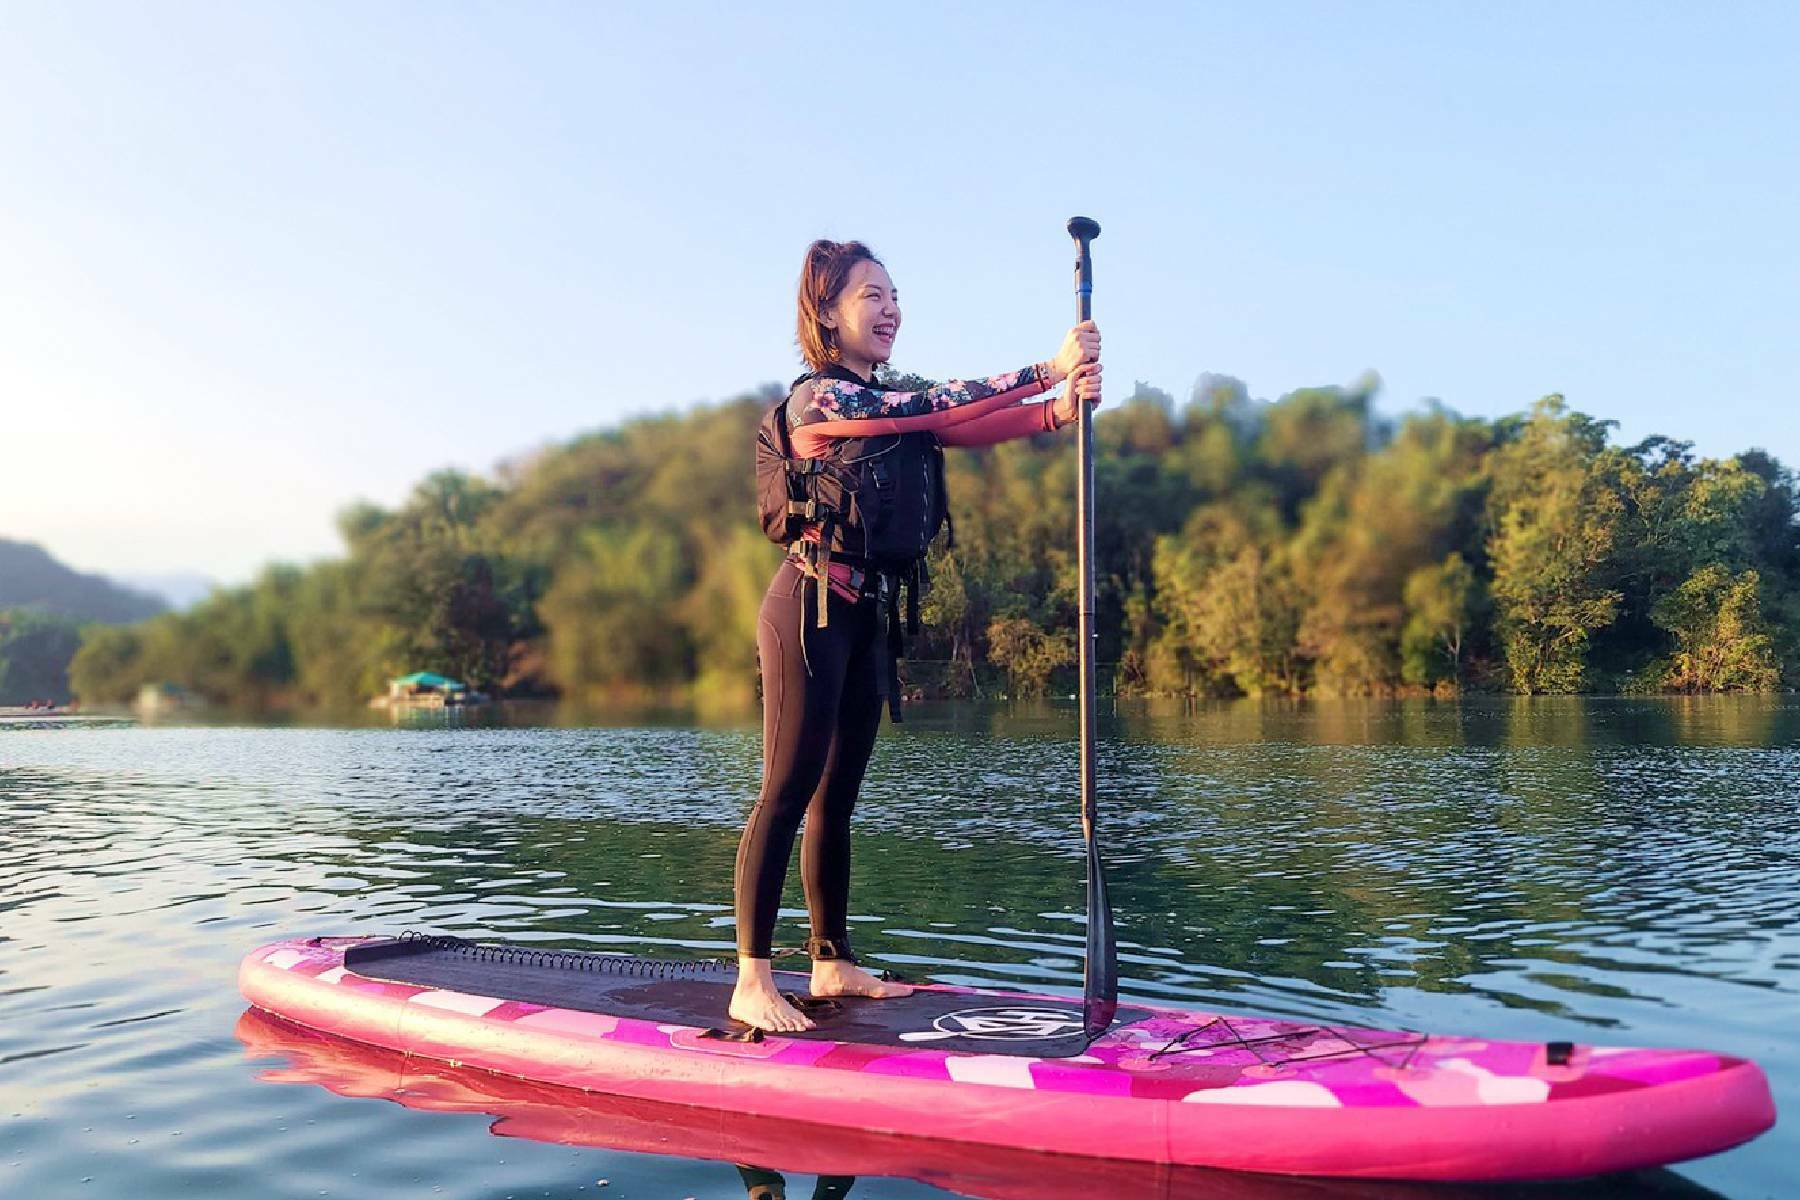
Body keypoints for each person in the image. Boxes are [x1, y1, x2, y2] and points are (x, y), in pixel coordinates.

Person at [730, 239, 1102, 1031]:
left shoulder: (890, 403)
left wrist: (1057, 410)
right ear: (827, 314)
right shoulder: (820, 403)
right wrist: (1048, 365)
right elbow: (935, 406)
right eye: (872, 295)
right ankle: (753, 978)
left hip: (866, 616)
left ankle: (831, 964)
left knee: (839, 799)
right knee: (789, 788)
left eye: (895, 293)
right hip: (809, 607)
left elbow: (958, 425)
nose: (891, 307)